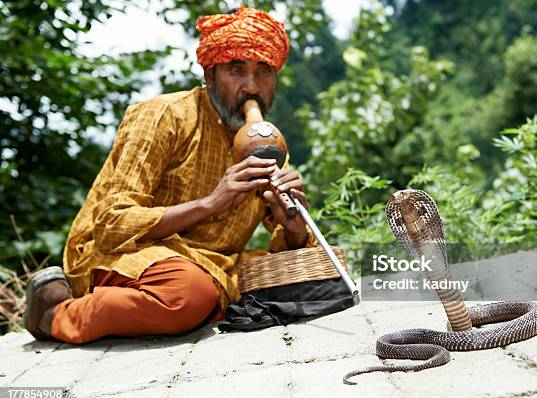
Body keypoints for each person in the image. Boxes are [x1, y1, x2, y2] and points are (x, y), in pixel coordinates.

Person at [22, 6, 317, 345]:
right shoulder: (163, 116)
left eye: (264, 71)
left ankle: (203, 302)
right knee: (187, 294)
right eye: (236, 70)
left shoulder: (265, 142)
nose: (252, 87)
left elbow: (292, 246)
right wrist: (209, 204)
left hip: (214, 265)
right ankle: (55, 314)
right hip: (127, 255)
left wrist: (294, 226)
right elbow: (111, 224)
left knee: (304, 279)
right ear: (210, 75)